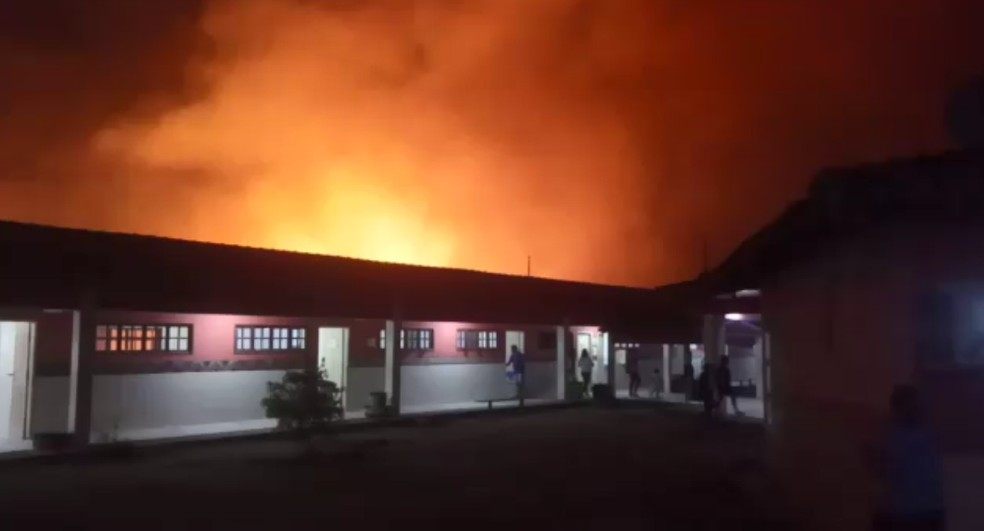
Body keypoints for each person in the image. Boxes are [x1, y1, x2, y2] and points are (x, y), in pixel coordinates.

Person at [868, 385, 945, 531]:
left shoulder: (928, 431)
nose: (918, 408)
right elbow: (881, 470)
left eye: (918, 404)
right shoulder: (888, 435)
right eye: (914, 404)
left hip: (926, 510)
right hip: (906, 513)